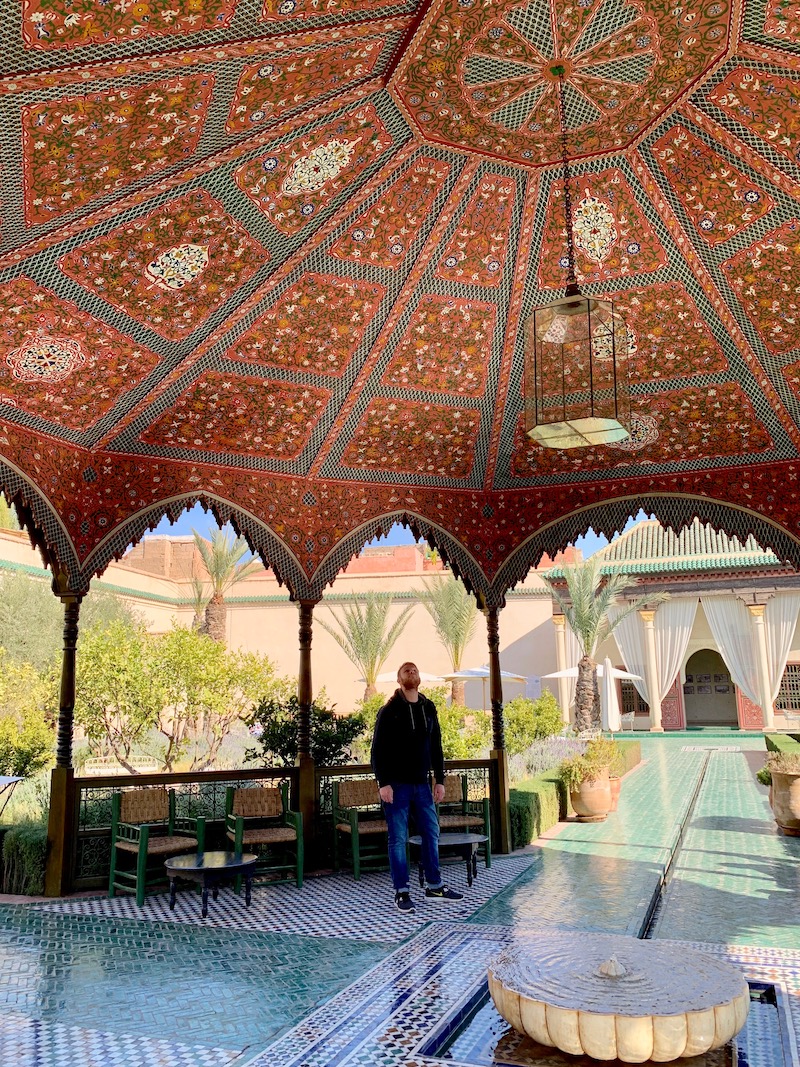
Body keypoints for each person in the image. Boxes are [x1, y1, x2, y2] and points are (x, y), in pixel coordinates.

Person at [371, 661, 464, 913]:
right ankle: (402, 891)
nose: (411, 672)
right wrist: (384, 783)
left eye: (414, 670)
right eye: (406, 671)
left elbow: (436, 746)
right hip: (397, 786)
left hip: (422, 785)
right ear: (399, 680)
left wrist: (440, 780)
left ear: (419, 678)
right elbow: (378, 750)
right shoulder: (389, 711)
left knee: (431, 833)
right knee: (398, 838)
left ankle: (435, 886)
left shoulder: (428, 708)